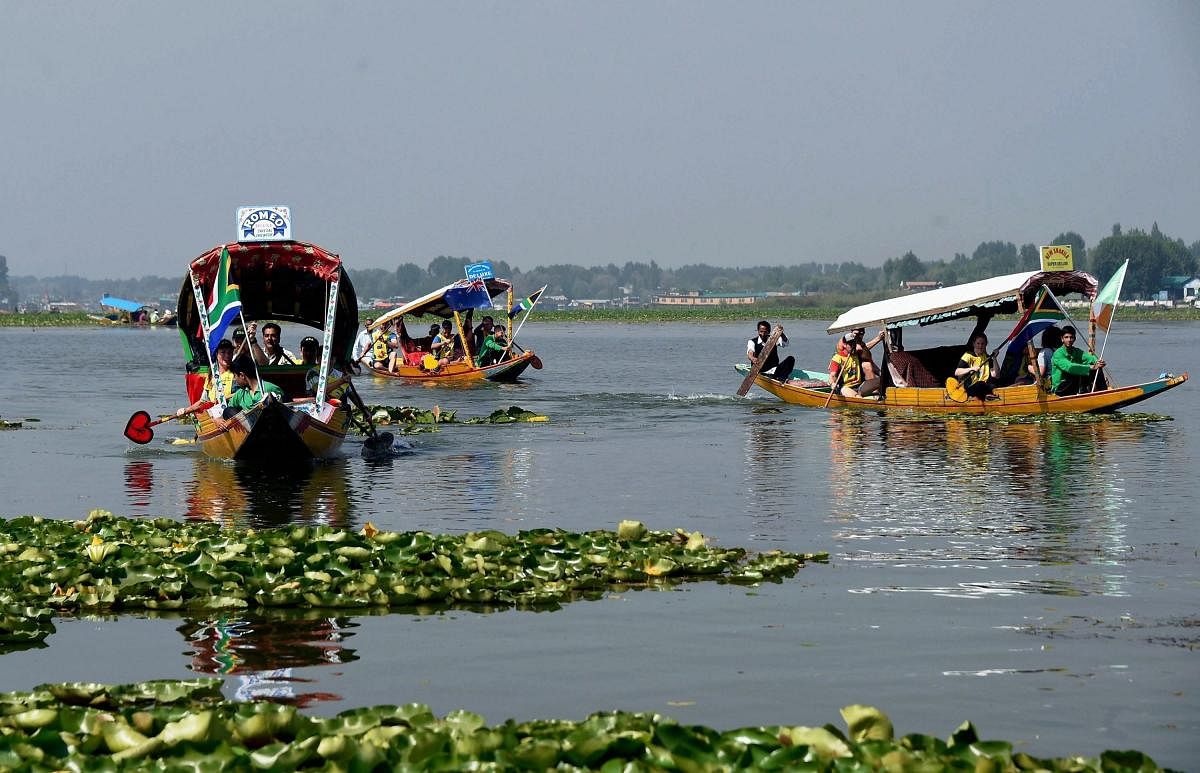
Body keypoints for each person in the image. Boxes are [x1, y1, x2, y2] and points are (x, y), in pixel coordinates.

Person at [177, 338, 237, 416]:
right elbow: (203, 401)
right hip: (214, 415)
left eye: (229, 353)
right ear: (216, 354)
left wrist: (224, 399)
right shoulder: (211, 375)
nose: (227, 356)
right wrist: (186, 410)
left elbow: (241, 395)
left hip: (231, 413)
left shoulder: (236, 374)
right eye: (223, 352)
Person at [1050, 326, 1105, 396]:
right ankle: (1082, 393)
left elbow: (1089, 358)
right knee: (1080, 371)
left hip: (1073, 385)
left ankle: (1103, 392)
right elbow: (1069, 367)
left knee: (1097, 369)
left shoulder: (1076, 351)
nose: (1069, 340)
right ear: (1062, 339)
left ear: (1074, 339)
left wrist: (1098, 361)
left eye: (1071, 337)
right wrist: (1090, 367)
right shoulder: (1058, 354)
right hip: (1060, 388)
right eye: (1066, 337)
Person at [954, 333, 999, 401]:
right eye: (978, 343)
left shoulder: (987, 358)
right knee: (980, 384)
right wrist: (971, 369)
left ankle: (988, 396)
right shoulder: (968, 356)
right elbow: (957, 372)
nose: (980, 346)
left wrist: (994, 358)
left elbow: (996, 375)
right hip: (971, 387)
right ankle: (984, 396)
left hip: (984, 387)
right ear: (974, 344)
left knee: (993, 384)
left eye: (982, 344)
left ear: (986, 344)